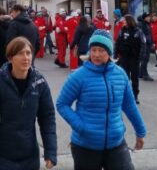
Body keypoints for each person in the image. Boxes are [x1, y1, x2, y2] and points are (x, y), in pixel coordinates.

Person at [57, 30, 146, 170]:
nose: (97, 55)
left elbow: (130, 106)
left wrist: (140, 132)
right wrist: (80, 126)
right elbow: (62, 104)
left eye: (102, 50)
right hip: (86, 145)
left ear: (109, 52)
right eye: (93, 50)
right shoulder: (79, 76)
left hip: (116, 143)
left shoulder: (120, 74)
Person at [0, 36, 58, 170]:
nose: (26, 58)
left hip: (30, 156)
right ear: (10, 58)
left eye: (28, 53)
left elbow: (47, 118)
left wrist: (51, 152)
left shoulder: (39, 83)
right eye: (20, 54)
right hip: (2, 156)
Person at [115, 15, 143, 103]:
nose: (123, 22)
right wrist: (115, 53)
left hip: (134, 58)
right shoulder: (122, 31)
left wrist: (141, 56)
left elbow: (143, 44)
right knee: (125, 77)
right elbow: (118, 42)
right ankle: (126, 95)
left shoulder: (138, 31)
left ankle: (135, 95)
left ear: (129, 21)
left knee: (134, 78)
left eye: (125, 21)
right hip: (124, 57)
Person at [138, 13, 154, 81]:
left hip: (148, 43)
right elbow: (142, 35)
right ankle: (145, 74)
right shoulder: (142, 24)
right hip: (144, 44)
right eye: (147, 17)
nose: (149, 18)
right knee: (145, 59)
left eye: (149, 17)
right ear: (144, 18)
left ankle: (141, 73)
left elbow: (150, 34)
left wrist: (152, 42)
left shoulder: (147, 24)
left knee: (145, 59)